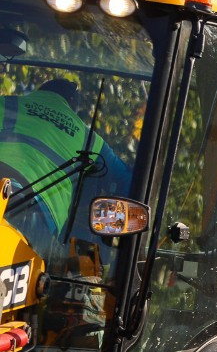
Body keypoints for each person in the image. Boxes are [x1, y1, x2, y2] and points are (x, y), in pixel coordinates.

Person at [0, 78, 127, 236]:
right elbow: (127, 179)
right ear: (72, 102)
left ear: (40, 92)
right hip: (38, 217)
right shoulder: (91, 140)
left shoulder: (7, 103)